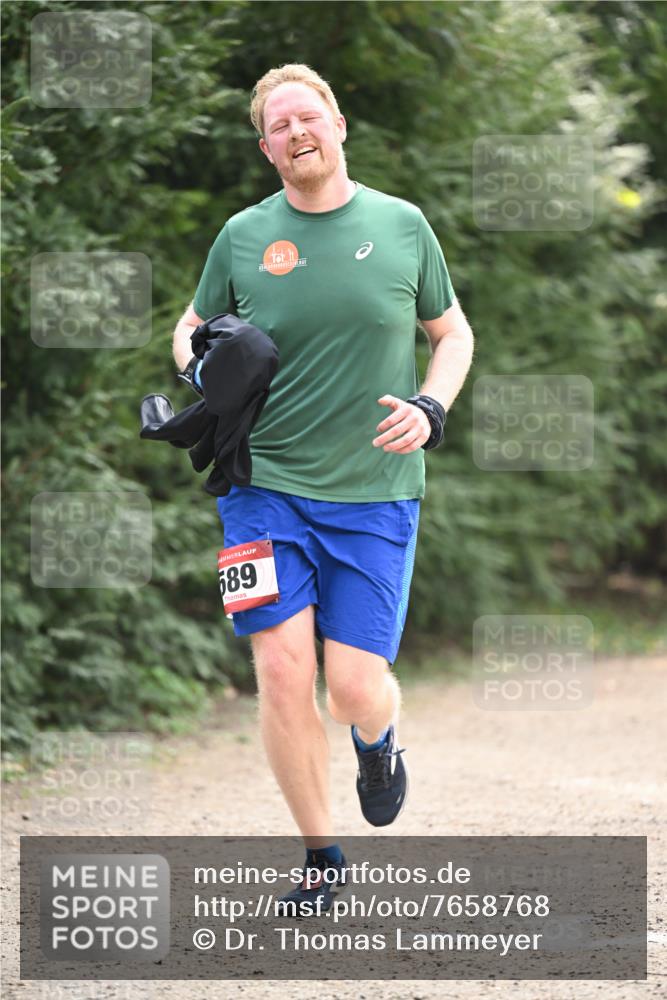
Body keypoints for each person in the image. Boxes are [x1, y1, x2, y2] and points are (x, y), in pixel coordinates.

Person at [172, 64, 474, 914]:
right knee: (278, 665)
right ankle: (320, 854)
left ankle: (376, 741)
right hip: (258, 486)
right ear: (265, 147)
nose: (296, 131)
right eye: (279, 124)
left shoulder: (402, 225)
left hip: (375, 489)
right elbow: (191, 328)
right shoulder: (241, 236)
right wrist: (199, 365)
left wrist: (431, 404)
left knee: (350, 687)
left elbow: (450, 334)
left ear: (337, 125)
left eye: (309, 116)